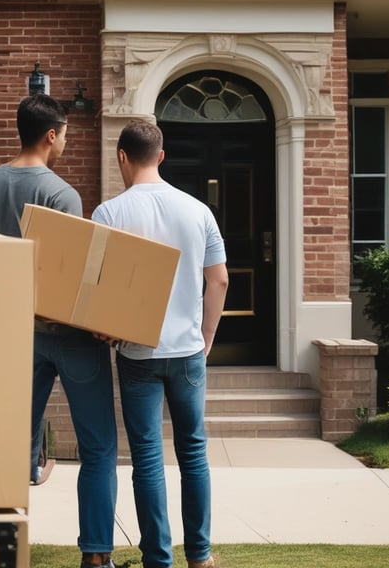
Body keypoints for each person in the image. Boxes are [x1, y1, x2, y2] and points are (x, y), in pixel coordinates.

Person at [0, 92, 118, 568]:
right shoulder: (62, 193)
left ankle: (0, 551)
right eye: (66, 134)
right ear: (51, 134)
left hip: (14, 334)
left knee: (12, 448)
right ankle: (95, 557)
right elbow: (71, 277)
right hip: (68, 337)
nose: (67, 143)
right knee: (97, 446)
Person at [92, 119, 229, 568]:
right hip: (188, 352)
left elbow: (96, 289)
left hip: (137, 354)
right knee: (194, 453)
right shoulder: (198, 211)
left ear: (122, 158)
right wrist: (205, 341)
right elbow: (219, 280)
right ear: (162, 157)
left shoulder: (109, 213)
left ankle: (158, 559)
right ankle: (201, 557)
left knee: (147, 458)